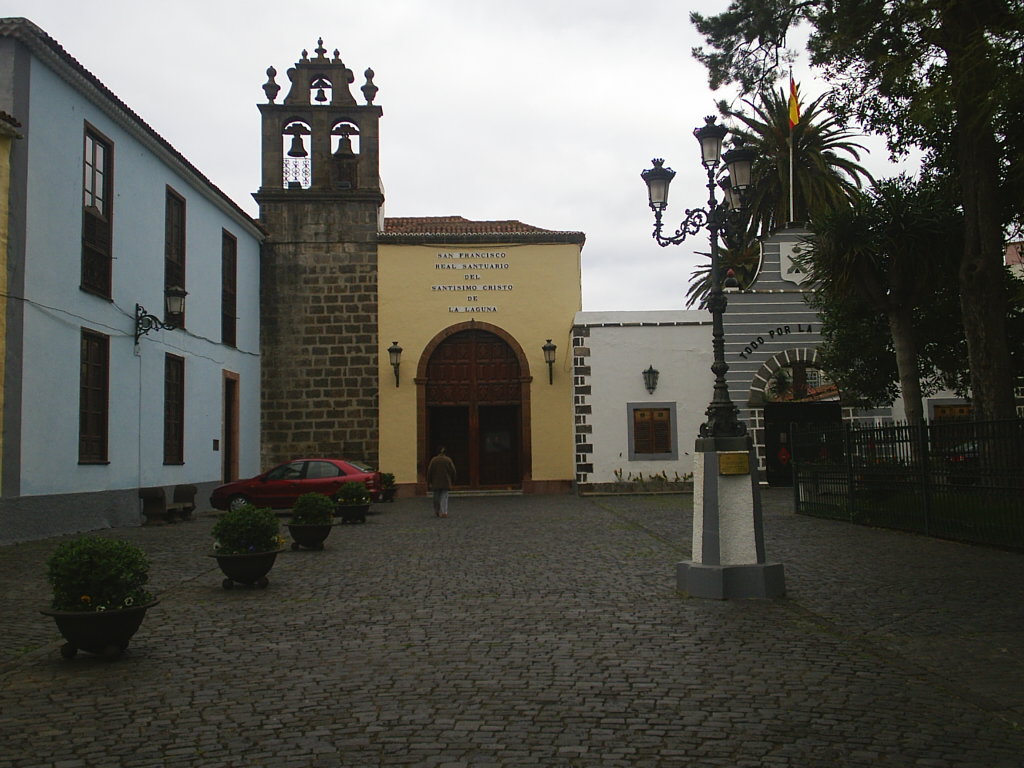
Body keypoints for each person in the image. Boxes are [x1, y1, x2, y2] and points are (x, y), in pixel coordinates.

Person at [426, 446, 456, 518]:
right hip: (446, 481)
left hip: (435, 482)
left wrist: (429, 481)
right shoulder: (448, 460)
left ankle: (437, 511)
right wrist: (453, 481)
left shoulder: (433, 460)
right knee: (444, 497)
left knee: (436, 497)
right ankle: (444, 512)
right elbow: (453, 471)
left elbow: (429, 471)